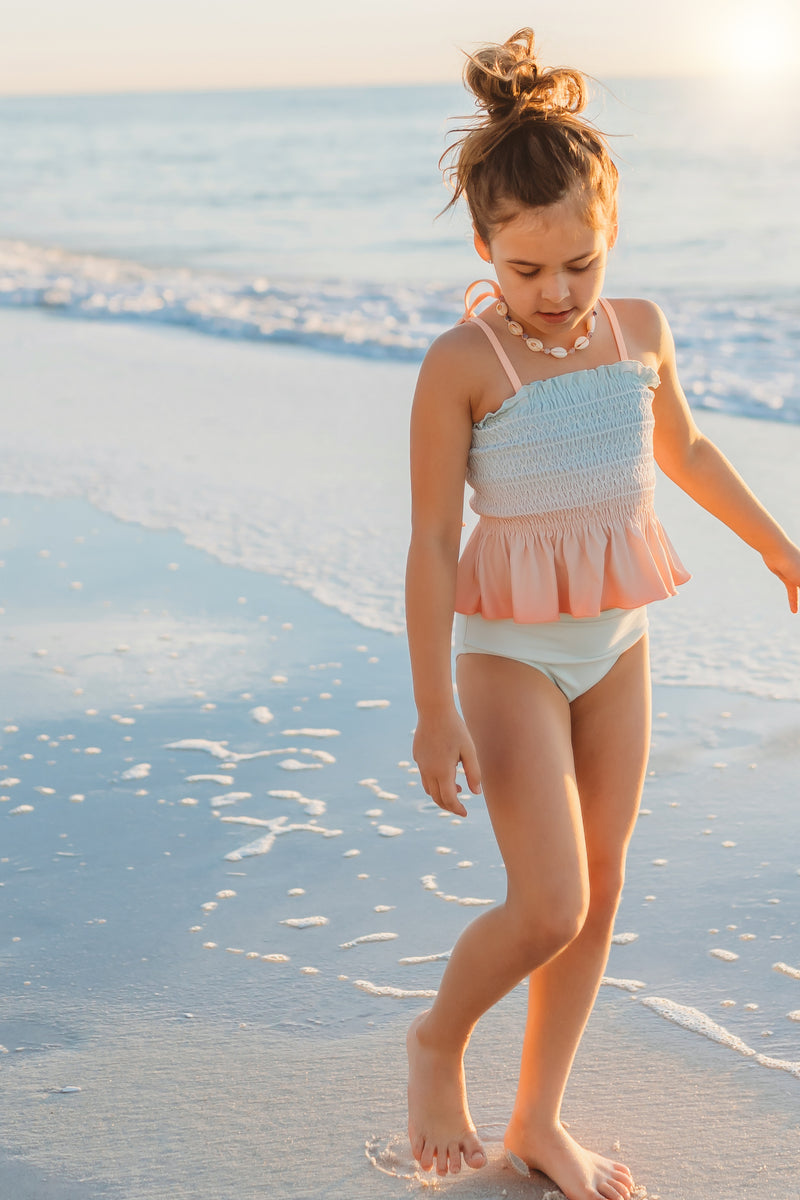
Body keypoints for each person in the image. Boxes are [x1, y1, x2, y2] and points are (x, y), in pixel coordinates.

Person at [404, 27, 800, 1200]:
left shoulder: (636, 330)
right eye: (526, 272)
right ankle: (436, 1040)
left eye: (576, 262)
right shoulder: (462, 364)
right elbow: (430, 544)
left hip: (616, 639)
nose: (557, 293)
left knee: (604, 885)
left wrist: (779, 545)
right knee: (548, 901)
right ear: (484, 249)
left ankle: (538, 1119)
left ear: (605, 234)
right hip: (508, 653)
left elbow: (683, 447)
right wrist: (433, 709)